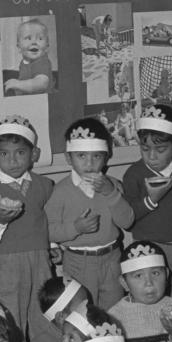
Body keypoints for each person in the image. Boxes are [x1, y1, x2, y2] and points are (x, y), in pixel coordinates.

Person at [0, 116, 55, 331]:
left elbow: (51, 220)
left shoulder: (45, 186)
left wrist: (54, 246)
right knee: (10, 320)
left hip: (40, 260)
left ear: (33, 154)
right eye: (4, 153)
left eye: (20, 153)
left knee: (45, 315)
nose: (13, 160)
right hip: (6, 264)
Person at [46, 118, 135, 309]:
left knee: (115, 311)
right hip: (78, 261)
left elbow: (127, 221)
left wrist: (110, 192)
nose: (89, 163)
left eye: (97, 156)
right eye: (81, 156)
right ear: (69, 158)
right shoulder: (59, 192)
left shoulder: (113, 185)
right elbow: (48, 230)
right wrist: (75, 228)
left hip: (112, 259)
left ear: (106, 156)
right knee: (82, 312)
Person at [122, 105, 172, 296]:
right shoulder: (134, 174)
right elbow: (128, 217)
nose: (152, 156)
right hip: (149, 251)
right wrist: (151, 200)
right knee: (151, 298)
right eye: (145, 149)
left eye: (160, 149)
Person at [108, 242, 172, 342]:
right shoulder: (114, 318)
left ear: (167, 275)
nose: (149, 283)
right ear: (124, 283)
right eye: (138, 276)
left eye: (156, 273)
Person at [4, 18, 54, 96]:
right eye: (28, 38)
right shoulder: (23, 62)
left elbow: (42, 83)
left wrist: (18, 84)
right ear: (19, 47)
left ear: (47, 47)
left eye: (40, 38)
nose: (34, 42)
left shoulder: (43, 62)